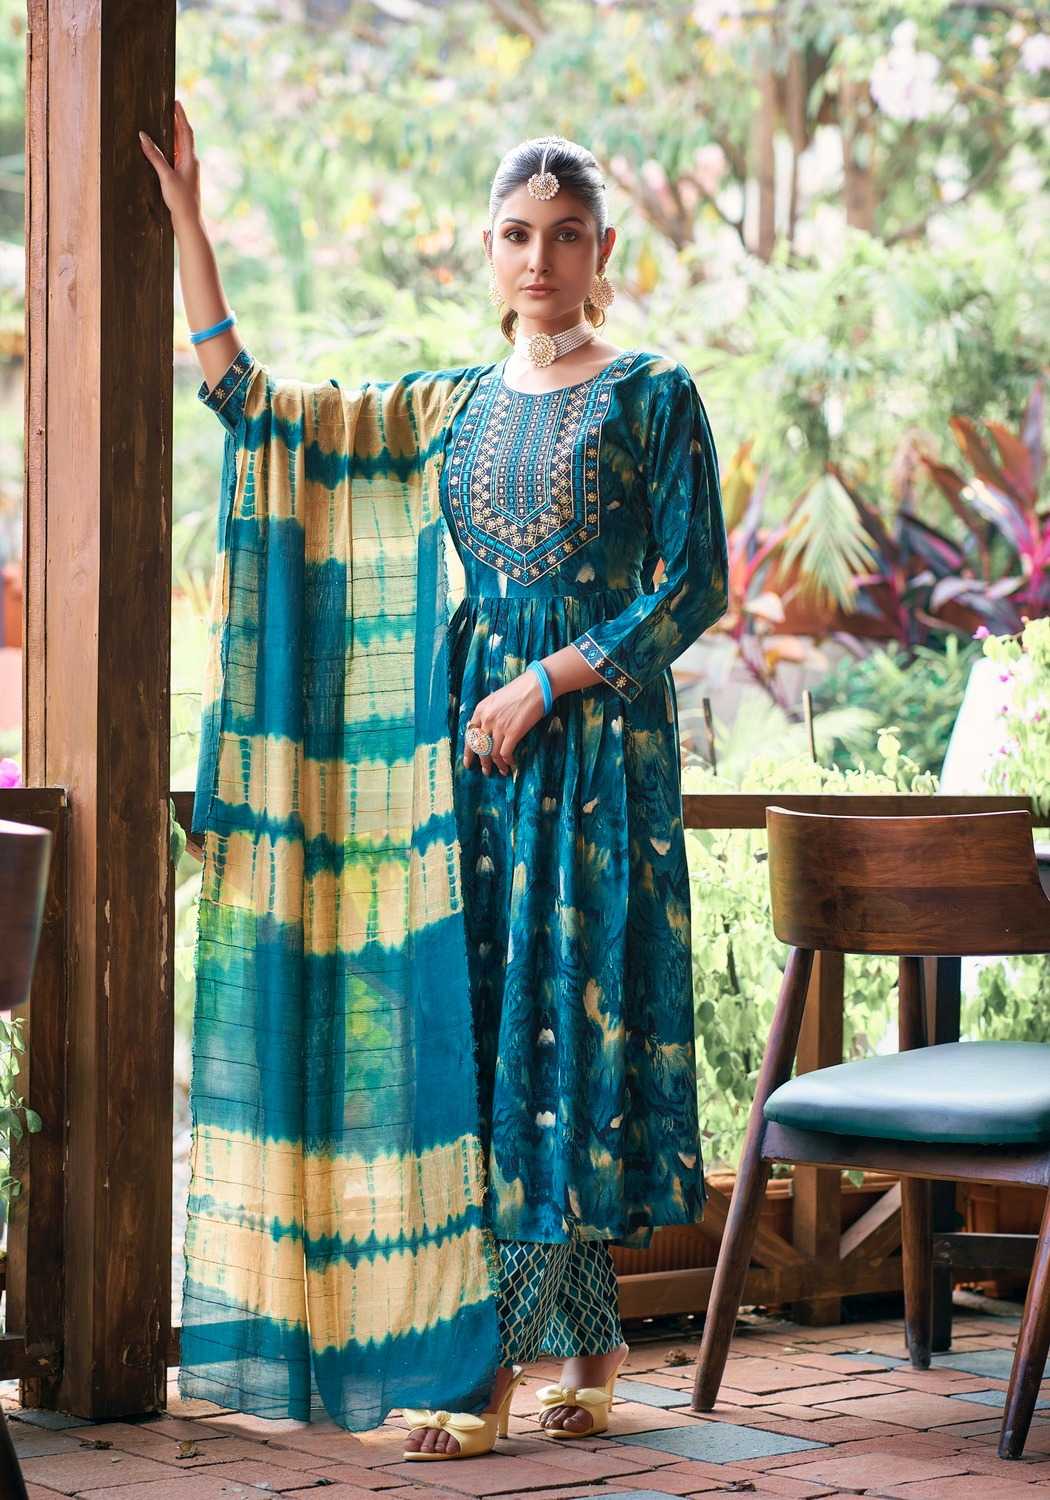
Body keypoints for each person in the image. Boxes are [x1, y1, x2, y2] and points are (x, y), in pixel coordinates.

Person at [141, 106, 728, 1459]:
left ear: (603, 251)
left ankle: (491, 1386)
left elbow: (694, 584)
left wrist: (548, 682)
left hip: (593, 770)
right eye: (518, 234)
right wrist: (190, 223)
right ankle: (583, 1358)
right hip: (471, 775)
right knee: (485, 1045)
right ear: (488, 248)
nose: (541, 259)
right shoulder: (450, 407)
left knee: (564, 1036)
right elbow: (255, 407)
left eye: (566, 235)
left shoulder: (652, 393)